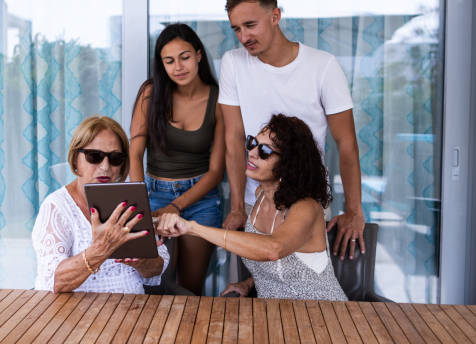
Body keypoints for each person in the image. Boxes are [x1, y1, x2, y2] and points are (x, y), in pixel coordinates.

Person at [219, 0, 365, 260]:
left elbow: (346, 143)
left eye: (250, 25)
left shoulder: (323, 66)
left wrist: (354, 210)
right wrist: (237, 206)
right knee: (253, 295)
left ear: (275, 16)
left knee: (305, 296)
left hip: (307, 204)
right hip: (256, 202)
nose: (243, 36)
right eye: (236, 28)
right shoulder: (233, 63)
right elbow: (233, 139)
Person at [157, 114, 347, 301]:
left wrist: (192, 228)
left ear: (288, 163)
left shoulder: (306, 207)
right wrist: (248, 283)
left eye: (264, 151)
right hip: (277, 317)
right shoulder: (260, 196)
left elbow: (273, 249)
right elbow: (278, 266)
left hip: (322, 315)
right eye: (252, 143)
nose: (252, 153)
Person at [129, 23, 225, 295]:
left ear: (198, 55)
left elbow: (216, 171)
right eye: (169, 61)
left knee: (190, 289)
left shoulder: (217, 98)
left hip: (200, 200)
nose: (178, 67)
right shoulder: (151, 92)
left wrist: (177, 205)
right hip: (154, 195)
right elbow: (135, 153)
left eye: (184, 57)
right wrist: (140, 204)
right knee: (151, 282)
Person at [32, 116, 169, 293]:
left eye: (115, 158)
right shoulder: (56, 207)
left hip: (132, 312)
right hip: (73, 317)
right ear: (75, 160)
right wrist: (101, 249)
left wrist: (143, 262)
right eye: (94, 156)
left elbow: (157, 268)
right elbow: (54, 281)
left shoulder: (131, 200)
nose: (105, 167)